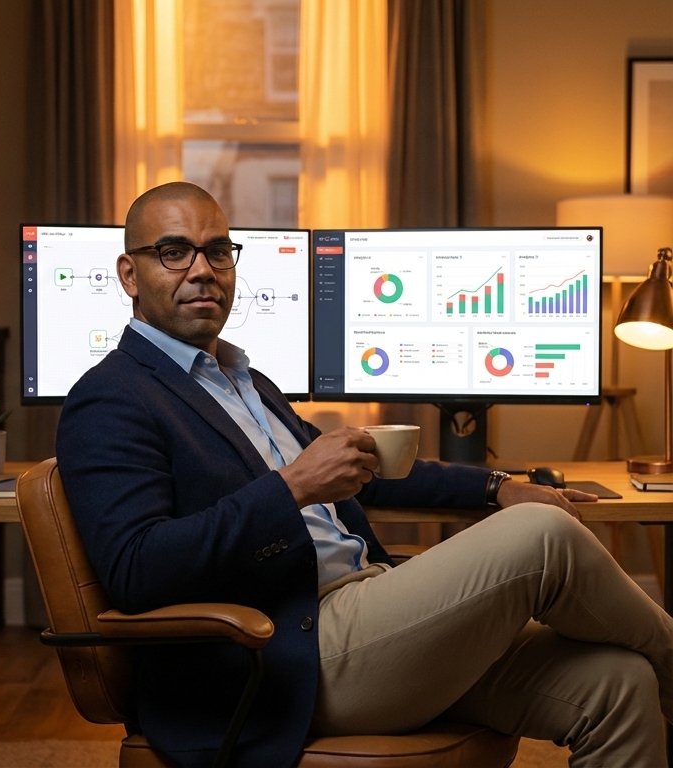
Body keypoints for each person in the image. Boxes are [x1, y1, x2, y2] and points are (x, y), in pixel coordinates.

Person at [55, 181, 673, 768]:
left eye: (218, 251)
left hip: (368, 618)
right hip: (282, 655)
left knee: (619, 685)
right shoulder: (112, 398)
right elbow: (138, 569)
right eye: (173, 252)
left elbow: (363, 473)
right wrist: (292, 486)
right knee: (542, 537)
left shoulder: (245, 381)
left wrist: (496, 487)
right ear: (129, 274)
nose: (202, 270)